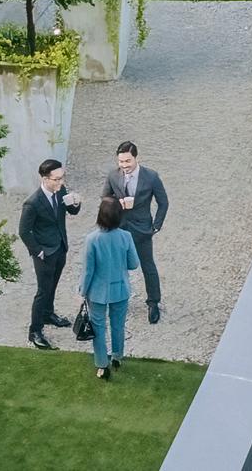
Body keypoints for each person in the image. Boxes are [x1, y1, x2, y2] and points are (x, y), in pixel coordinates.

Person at [18, 158, 81, 348]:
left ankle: (48, 314)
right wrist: (38, 252)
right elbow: (23, 231)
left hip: (60, 247)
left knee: (53, 285)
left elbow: (71, 211)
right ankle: (35, 330)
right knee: (43, 291)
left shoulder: (60, 190)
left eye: (62, 178)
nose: (61, 182)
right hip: (45, 252)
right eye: (57, 179)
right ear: (45, 179)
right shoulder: (33, 203)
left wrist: (76, 204)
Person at [106, 140, 171, 324]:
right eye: (121, 161)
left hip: (142, 229)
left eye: (127, 161)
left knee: (148, 266)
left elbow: (163, 203)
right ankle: (117, 300)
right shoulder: (113, 176)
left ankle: (153, 302)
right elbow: (104, 198)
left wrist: (156, 226)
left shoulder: (151, 176)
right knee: (117, 266)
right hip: (119, 228)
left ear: (135, 158)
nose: (124, 165)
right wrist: (118, 204)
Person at [79, 196, 141, 380]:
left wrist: (82, 291)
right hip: (120, 289)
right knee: (118, 326)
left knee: (98, 328)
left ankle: (101, 364)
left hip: (97, 292)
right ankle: (117, 357)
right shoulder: (126, 236)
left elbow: (88, 271)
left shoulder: (92, 239)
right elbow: (133, 264)